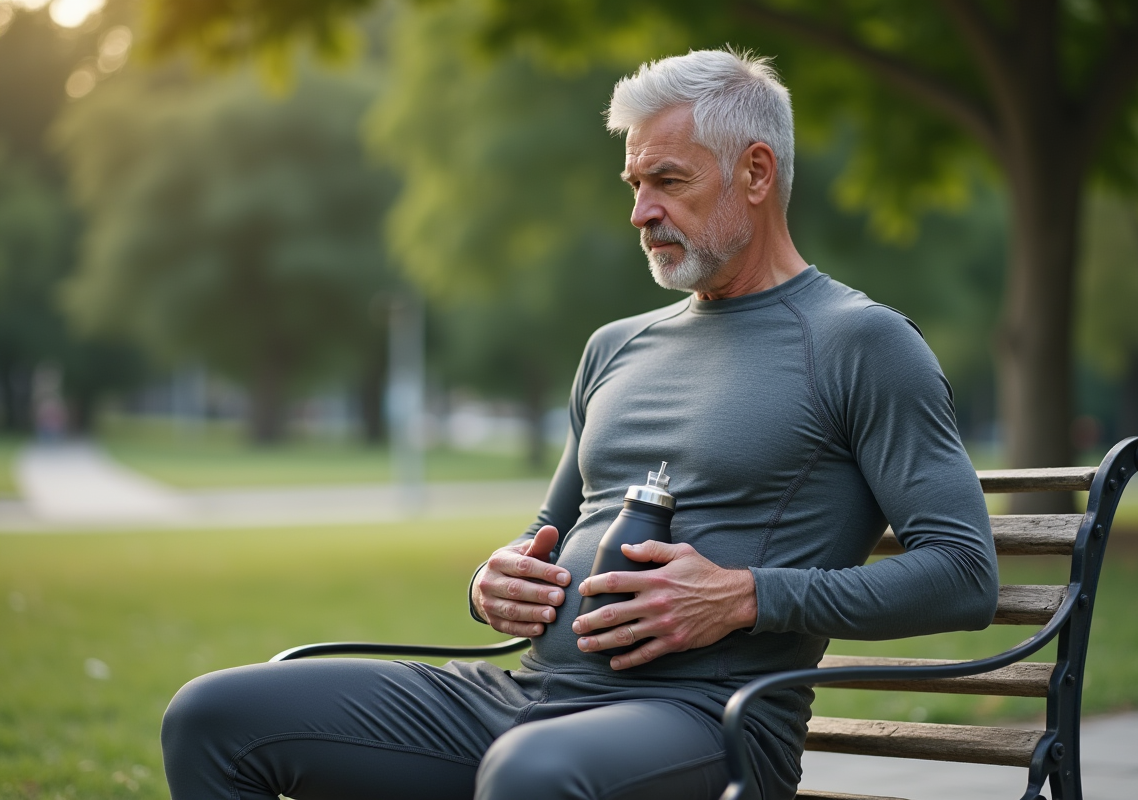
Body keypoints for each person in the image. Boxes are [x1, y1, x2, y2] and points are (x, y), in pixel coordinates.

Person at [161, 49, 998, 800]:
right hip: (526, 699)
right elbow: (548, 533)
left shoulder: (863, 343)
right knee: (214, 716)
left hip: (710, 718)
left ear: (754, 171)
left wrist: (745, 596)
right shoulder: (615, 347)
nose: (640, 212)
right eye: (634, 186)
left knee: (534, 775)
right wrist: (496, 582)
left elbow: (963, 573)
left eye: (668, 182)